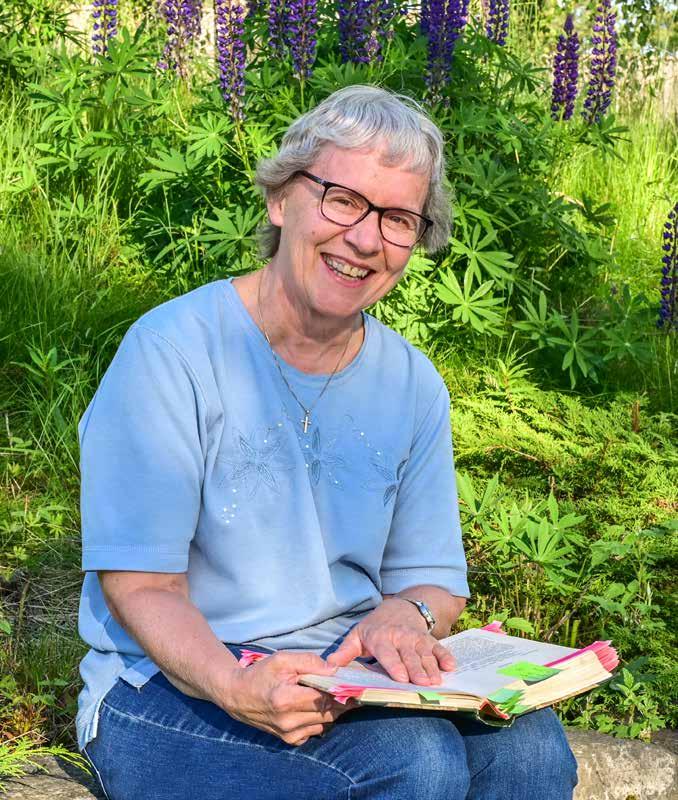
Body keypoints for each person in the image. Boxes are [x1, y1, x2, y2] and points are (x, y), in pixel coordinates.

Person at [76, 85, 578, 800]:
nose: (367, 239)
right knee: (414, 764)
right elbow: (142, 585)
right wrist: (235, 685)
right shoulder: (172, 351)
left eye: (399, 218)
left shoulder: (411, 382)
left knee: (530, 752)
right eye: (343, 200)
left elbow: (434, 579)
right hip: (166, 689)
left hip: (342, 679)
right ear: (282, 199)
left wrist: (404, 616)